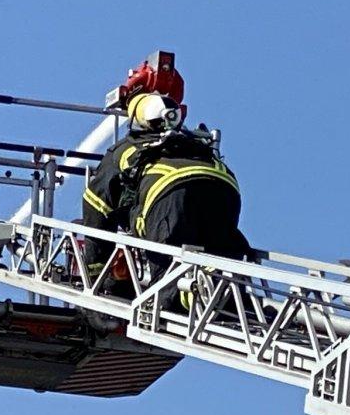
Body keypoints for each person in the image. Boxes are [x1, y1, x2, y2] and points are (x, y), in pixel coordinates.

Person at [81, 90, 251, 290]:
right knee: (222, 260)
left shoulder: (125, 150)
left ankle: (182, 298)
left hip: (169, 198)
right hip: (224, 192)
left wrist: (95, 275)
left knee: (168, 281)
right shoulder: (194, 143)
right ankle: (229, 297)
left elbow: (96, 206)